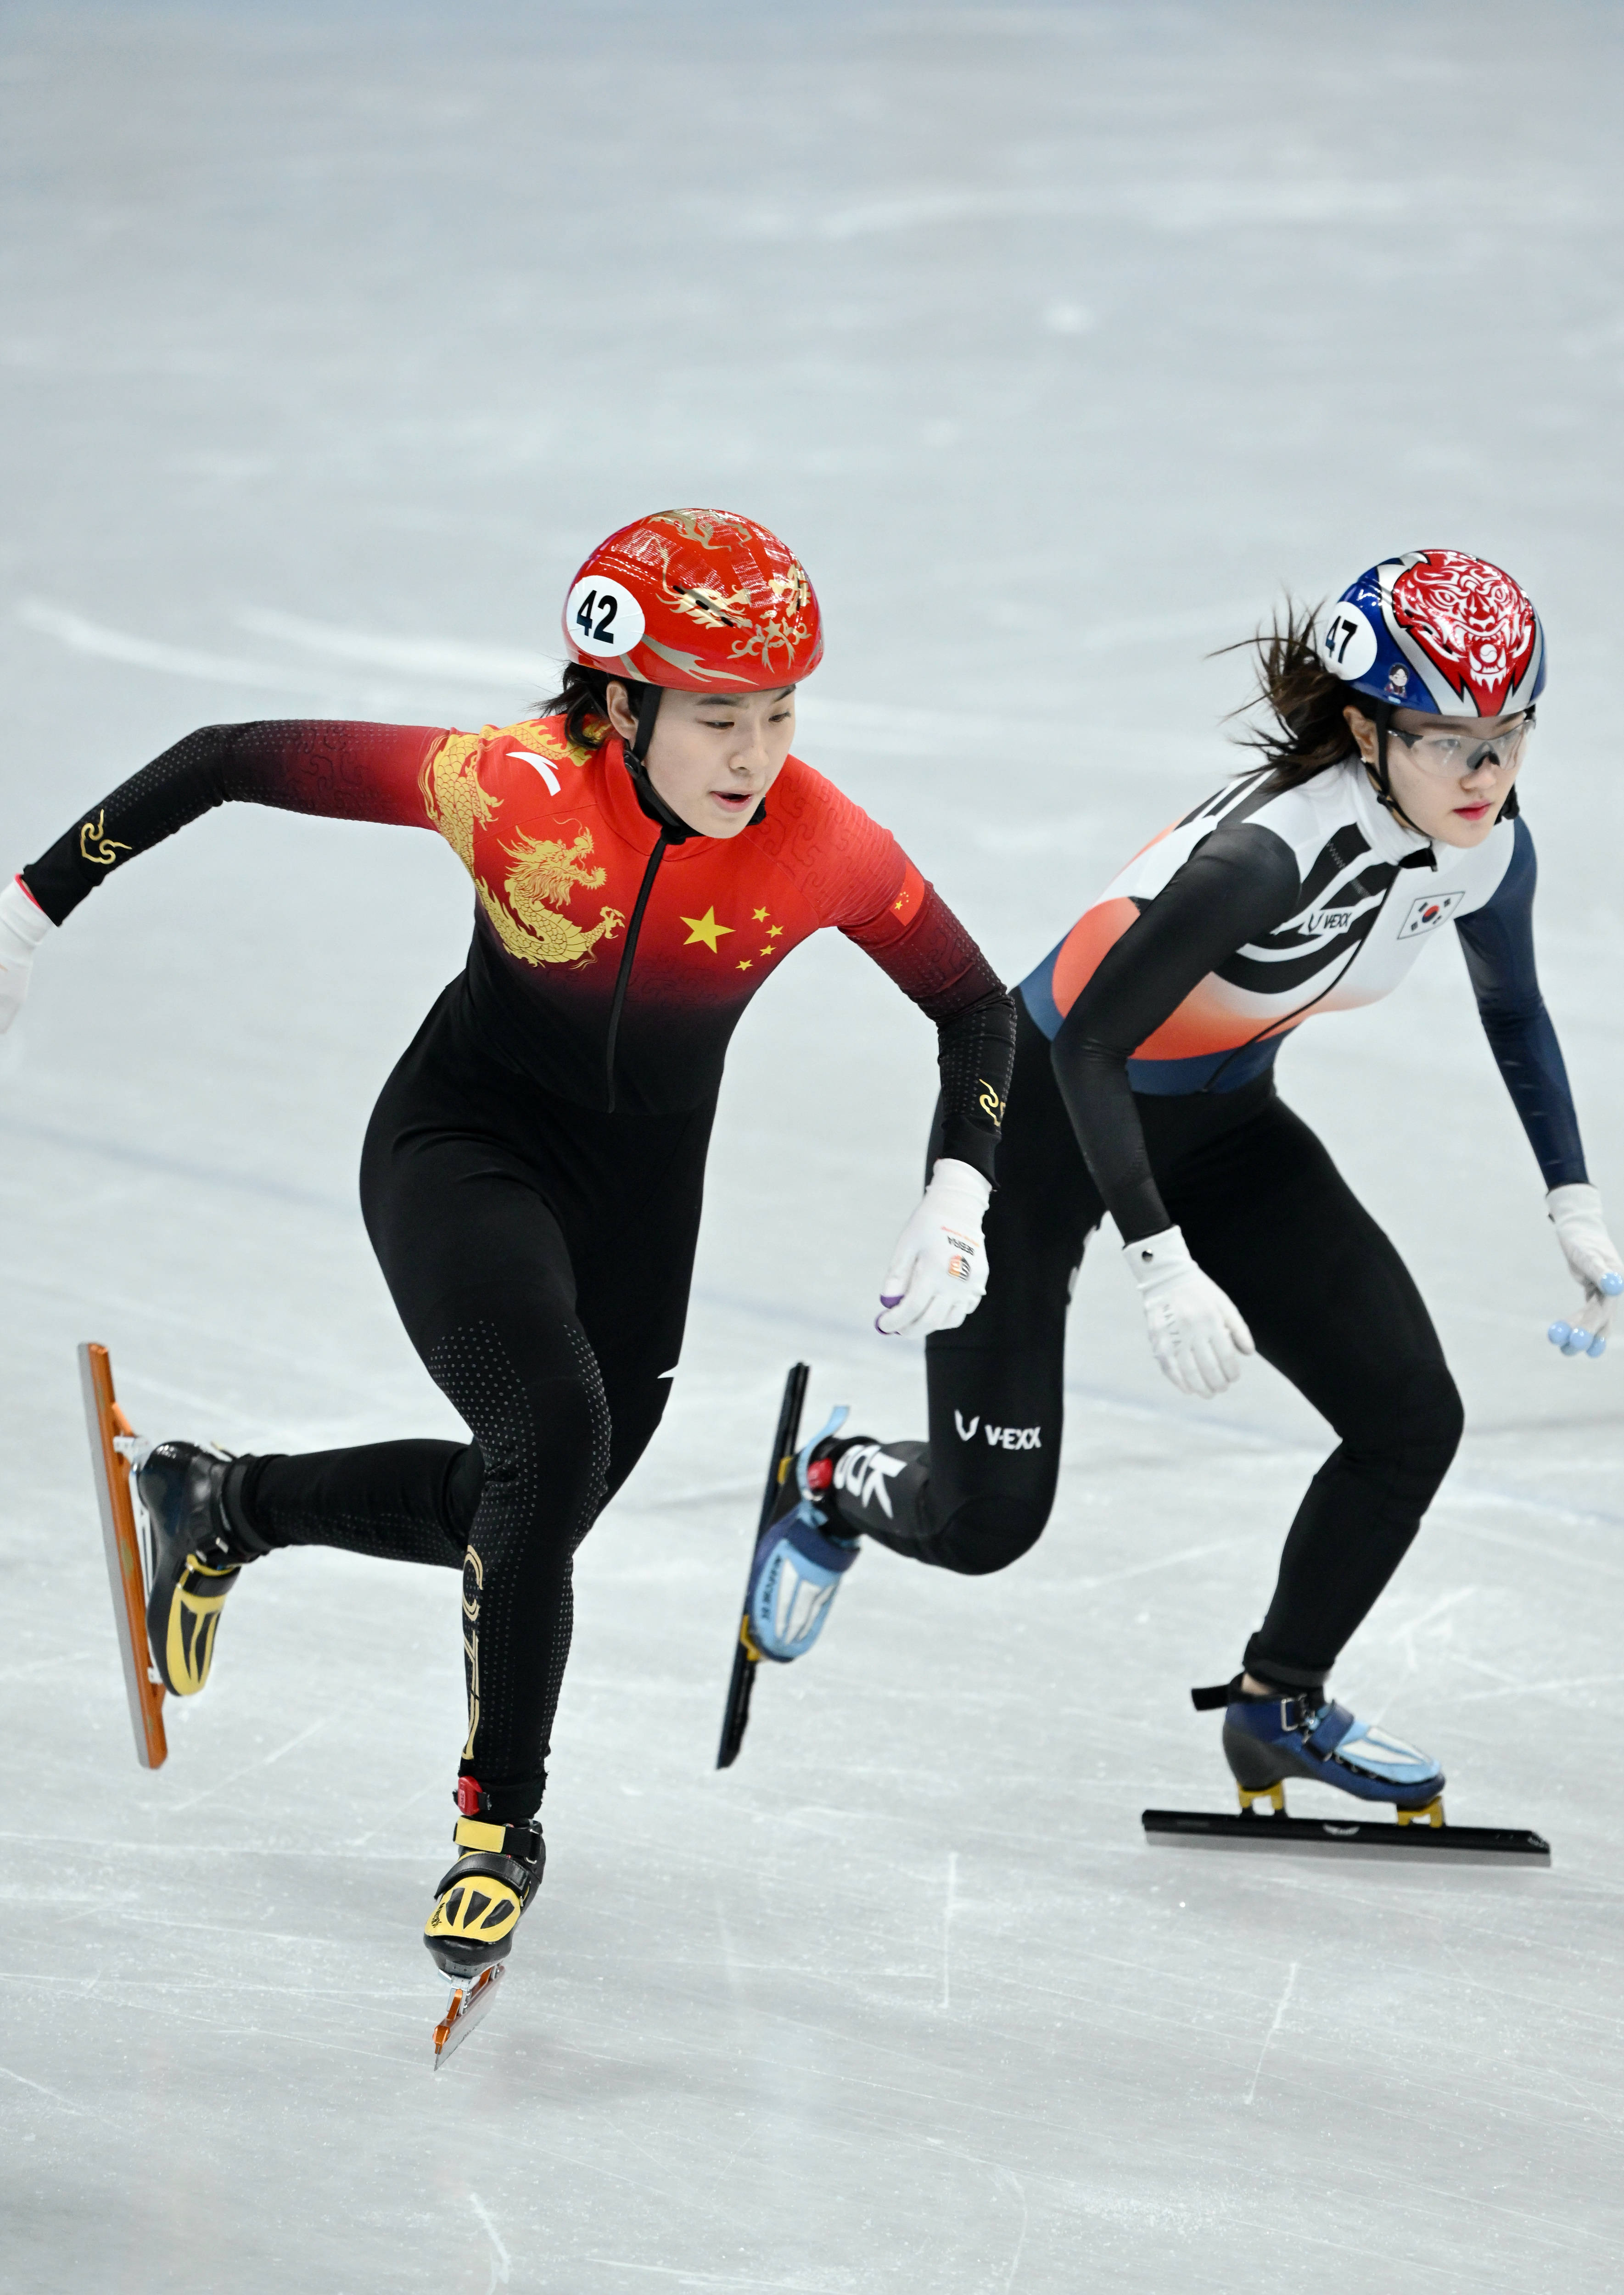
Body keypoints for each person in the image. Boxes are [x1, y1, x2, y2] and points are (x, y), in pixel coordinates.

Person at [0, 509, 1015, 1992]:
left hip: (638, 1209)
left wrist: (958, 1191)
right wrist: (32, 903)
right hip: (459, 1152)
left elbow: (976, 1008)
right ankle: (498, 1830)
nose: (757, 754)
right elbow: (226, 756)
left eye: (782, 713)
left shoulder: (821, 845)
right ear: (621, 706)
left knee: (528, 1507)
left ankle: (220, 1504)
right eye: (720, 716)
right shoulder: (504, 783)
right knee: (546, 1431)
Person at [792, 549, 1623, 1816]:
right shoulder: (1260, 861)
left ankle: (1276, 1702)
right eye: (1451, 739)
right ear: (1364, 728)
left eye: (1510, 735)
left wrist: (1571, 1200)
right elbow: (1084, 1048)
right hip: (1032, 1136)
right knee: (984, 1527)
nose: (1487, 774)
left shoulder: (1483, 844)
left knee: (1409, 1421)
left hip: (1224, 1126)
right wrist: (1159, 1262)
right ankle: (829, 1477)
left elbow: (1514, 1009)